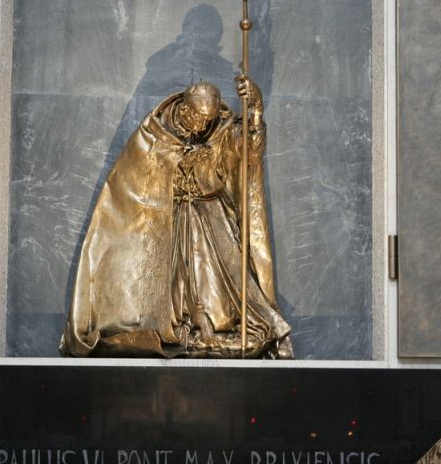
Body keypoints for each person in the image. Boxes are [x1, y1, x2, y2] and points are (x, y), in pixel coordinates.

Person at [61, 76, 292, 359]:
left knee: (212, 284)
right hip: (164, 220)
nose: (202, 126)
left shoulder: (222, 131)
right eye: (197, 118)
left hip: (210, 219)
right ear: (184, 109)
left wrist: (255, 109)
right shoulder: (154, 133)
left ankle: (210, 328)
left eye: (207, 120)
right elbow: (132, 184)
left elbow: (250, 150)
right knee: (172, 283)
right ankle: (175, 327)